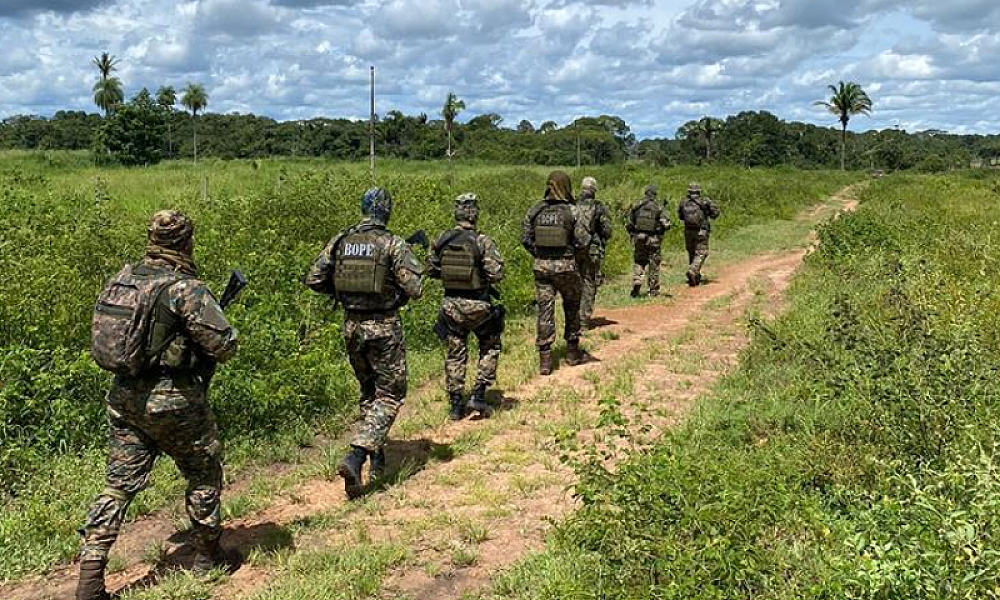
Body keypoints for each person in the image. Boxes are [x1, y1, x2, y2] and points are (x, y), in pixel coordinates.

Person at [78, 210, 239, 600]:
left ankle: (90, 578)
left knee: (117, 486)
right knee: (203, 472)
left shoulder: (124, 279)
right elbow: (224, 345)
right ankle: (207, 557)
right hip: (174, 401)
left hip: (124, 398)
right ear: (186, 241)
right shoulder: (184, 288)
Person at [306, 188, 423, 499]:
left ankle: (378, 457)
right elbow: (415, 288)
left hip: (351, 327)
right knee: (390, 394)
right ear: (386, 211)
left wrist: (344, 295)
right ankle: (357, 456)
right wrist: (393, 290)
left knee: (369, 391)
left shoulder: (342, 241)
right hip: (383, 327)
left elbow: (314, 278)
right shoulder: (392, 243)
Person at [428, 193, 505, 420]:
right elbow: (497, 273)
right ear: (475, 214)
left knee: (455, 353)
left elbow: (431, 270)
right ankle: (479, 394)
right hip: (479, 306)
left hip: (451, 306)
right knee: (490, 346)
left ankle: (455, 404)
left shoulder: (442, 239)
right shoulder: (482, 241)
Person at [521, 170, 592, 375]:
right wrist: (573, 256)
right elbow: (582, 241)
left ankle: (545, 360)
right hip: (566, 267)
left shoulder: (535, 210)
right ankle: (572, 352)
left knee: (545, 311)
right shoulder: (573, 211)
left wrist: (539, 254)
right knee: (572, 307)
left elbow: (525, 238)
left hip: (541, 268)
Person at [576, 176, 613, 329]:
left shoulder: (572, 206)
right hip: (592, 251)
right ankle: (584, 320)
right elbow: (607, 231)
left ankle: (573, 320)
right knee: (589, 282)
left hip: (574, 250)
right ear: (594, 191)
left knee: (575, 284)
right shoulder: (599, 207)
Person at [626, 185, 671, 297]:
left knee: (639, 261)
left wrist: (633, 235)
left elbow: (629, 224)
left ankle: (637, 278)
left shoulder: (637, 206)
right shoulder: (658, 207)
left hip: (639, 239)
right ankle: (653, 290)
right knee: (653, 264)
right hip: (653, 240)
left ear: (645, 193)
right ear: (655, 195)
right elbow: (666, 224)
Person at [678, 183, 721, 286]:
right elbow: (715, 214)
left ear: (689, 192)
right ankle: (693, 270)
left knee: (692, 253)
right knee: (702, 253)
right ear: (699, 192)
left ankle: (695, 277)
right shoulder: (705, 201)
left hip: (688, 231)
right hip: (701, 231)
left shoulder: (683, 202)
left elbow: (680, 216)